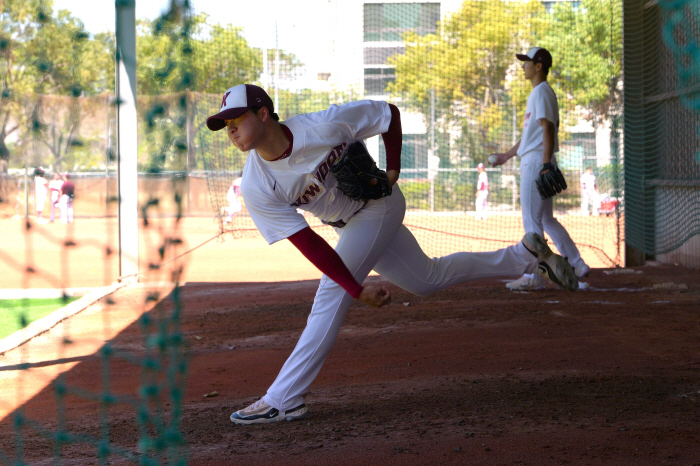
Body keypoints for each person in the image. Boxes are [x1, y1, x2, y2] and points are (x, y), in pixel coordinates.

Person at [207, 83, 578, 425]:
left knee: (330, 293)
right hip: (348, 226)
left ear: (263, 114)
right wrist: (357, 287)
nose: (230, 130)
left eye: (235, 119)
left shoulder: (323, 125)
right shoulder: (257, 184)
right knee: (427, 279)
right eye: (225, 125)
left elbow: (389, 114)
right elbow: (310, 243)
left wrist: (394, 168)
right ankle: (523, 255)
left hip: (379, 205)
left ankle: (283, 397)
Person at [489, 47, 590, 290]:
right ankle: (576, 264)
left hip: (536, 162)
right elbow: (530, 136)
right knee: (546, 219)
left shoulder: (541, 92)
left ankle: (535, 277)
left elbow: (548, 130)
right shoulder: (539, 92)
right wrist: (506, 156)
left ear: (539, 66)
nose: (523, 65)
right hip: (535, 159)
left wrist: (545, 164)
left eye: (527, 62)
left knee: (532, 221)